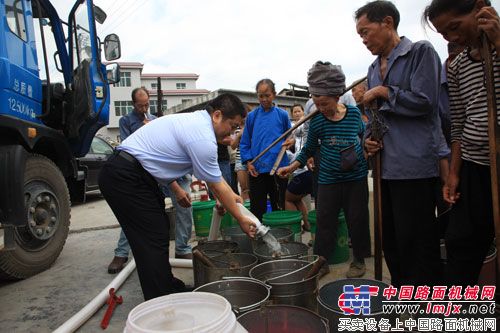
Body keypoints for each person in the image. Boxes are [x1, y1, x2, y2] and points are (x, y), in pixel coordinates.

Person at [98, 93, 256, 300]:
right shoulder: (202, 136)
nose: (232, 132)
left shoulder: (198, 121)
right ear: (217, 115)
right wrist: (241, 218)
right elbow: (216, 184)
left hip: (134, 175)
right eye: (233, 125)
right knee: (151, 237)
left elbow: (214, 178)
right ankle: (160, 298)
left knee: (159, 231)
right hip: (125, 177)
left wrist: (231, 196)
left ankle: (166, 285)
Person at [355, 0, 443, 287]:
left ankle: (427, 302)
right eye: (360, 35)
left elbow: (426, 102)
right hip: (385, 167)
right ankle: (403, 296)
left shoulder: (420, 52)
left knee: (417, 241)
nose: (364, 40)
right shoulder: (372, 68)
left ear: (388, 23)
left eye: (366, 32)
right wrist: (370, 141)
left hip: (414, 166)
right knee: (390, 238)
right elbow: (375, 118)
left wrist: (384, 91)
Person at [424, 0, 499, 287]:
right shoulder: (457, 66)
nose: (453, 38)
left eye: (455, 27)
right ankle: (458, 311)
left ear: (480, 8)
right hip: (475, 167)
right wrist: (454, 173)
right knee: (460, 240)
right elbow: (458, 122)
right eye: (444, 34)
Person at [278, 61, 371, 278]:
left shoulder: (354, 115)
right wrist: (292, 166)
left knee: (357, 219)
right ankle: (321, 262)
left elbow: (362, 137)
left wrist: (365, 150)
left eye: (324, 103)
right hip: (328, 178)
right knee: (324, 222)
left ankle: (358, 260)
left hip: (355, 178)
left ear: (337, 96)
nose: (321, 108)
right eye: (317, 104)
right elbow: (308, 149)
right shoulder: (317, 121)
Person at [107, 87, 156, 274]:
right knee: (131, 211)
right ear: (133, 104)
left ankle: (180, 248)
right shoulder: (126, 121)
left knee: (178, 202)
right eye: (140, 105)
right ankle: (121, 253)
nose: (144, 108)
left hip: (153, 172)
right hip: (134, 172)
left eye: (147, 104)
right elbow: (128, 146)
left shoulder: (154, 120)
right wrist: (143, 130)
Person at [240, 79, 291, 221]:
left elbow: (290, 137)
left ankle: (281, 236)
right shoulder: (252, 117)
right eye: (260, 96)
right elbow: (244, 143)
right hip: (257, 170)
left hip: (278, 168)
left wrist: (290, 142)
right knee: (258, 208)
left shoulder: (282, 115)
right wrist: (248, 162)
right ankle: (260, 237)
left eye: (267, 95)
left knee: (279, 206)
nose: (264, 99)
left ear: (274, 95)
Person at [284, 104, 313, 232]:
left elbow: (299, 128)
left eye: (299, 111)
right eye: (294, 112)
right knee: (297, 198)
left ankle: (295, 229)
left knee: (288, 198)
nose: (296, 113)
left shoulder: (304, 123)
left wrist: (302, 119)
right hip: (299, 168)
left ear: (303, 112)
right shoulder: (295, 128)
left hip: (304, 168)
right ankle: (307, 225)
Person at [231, 113, 250, 202]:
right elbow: (233, 146)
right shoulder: (236, 129)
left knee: (253, 188)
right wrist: (239, 136)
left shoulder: (252, 126)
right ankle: (246, 210)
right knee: (244, 188)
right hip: (240, 159)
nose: (244, 118)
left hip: (253, 159)